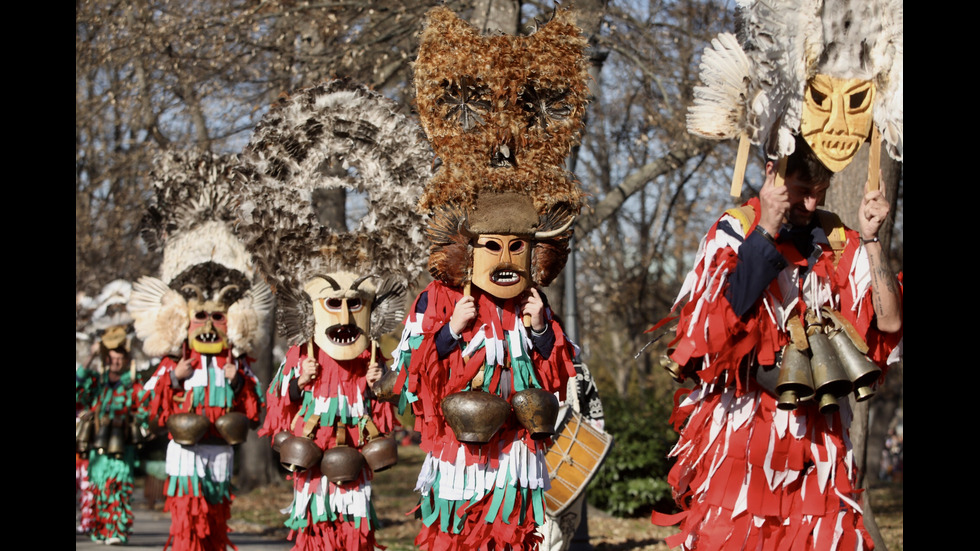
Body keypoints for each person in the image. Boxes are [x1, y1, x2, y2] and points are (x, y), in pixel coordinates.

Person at [650, 137, 903, 549]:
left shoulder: (837, 237)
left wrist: (872, 239)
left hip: (819, 437)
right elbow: (716, 326)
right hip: (747, 428)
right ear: (772, 174)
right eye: (801, 190)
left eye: (818, 193)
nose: (809, 205)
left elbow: (889, 321)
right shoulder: (734, 228)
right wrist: (766, 228)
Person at [237, 79, 431, 550]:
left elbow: (389, 408)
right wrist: (297, 381)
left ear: (372, 308)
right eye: (331, 301)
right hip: (312, 450)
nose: (344, 311)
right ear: (309, 309)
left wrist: (381, 382)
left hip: (356, 457)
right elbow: (277, 408)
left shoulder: (371, 358)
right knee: (314, 527)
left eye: (355, 301)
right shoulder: (301, 354)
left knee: (355, 524)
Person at [130, 149, 274, 551]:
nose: (209, 326)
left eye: (218, 316)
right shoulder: (173, 363)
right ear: (183, 317)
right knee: (188, 513)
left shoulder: (239, 364)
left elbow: (257, 408)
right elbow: (147, 407)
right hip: (187, 447)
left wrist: (239, 383)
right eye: (201, 316)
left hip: (220, 446)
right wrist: (174, 381)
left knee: (215, 510)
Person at [75, 326, 150, 545]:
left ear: (126, 360)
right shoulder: (98, 384)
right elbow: (78, 387)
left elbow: (146, 408)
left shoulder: (132, 384)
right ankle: (100, 530)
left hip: (121, 446)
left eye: (120, 358)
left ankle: (117, 531)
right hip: (98, 445)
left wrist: (141, 425)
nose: (116, 362)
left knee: (118, 485)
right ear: (106, 359)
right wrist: (91, 356)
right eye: (112, 358)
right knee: (98, 486)